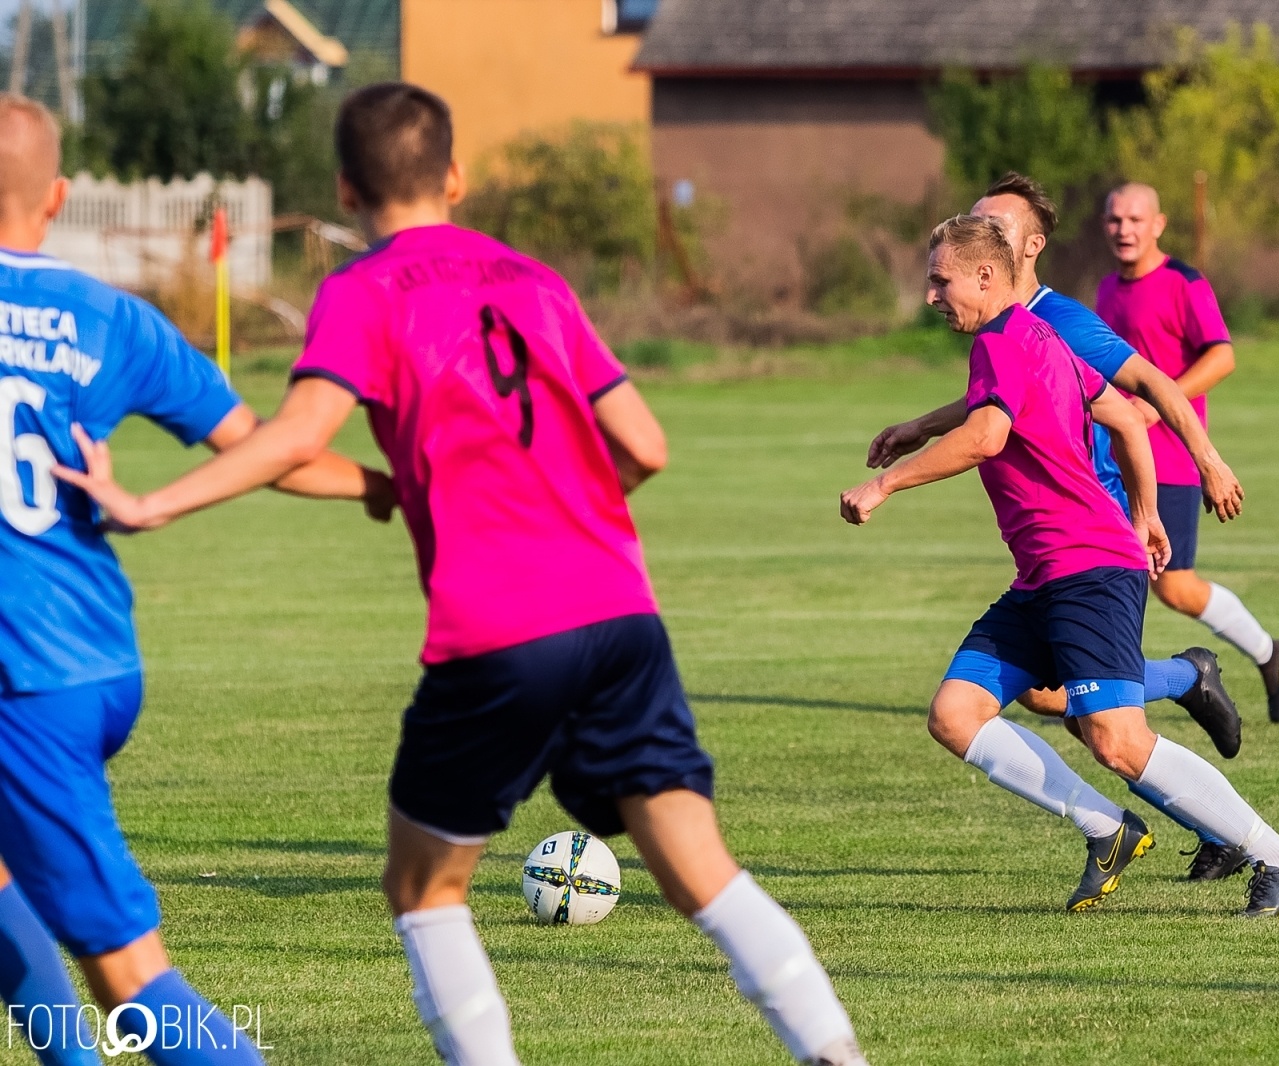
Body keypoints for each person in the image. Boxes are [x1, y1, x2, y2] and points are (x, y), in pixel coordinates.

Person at [57, 83, 870, 1066]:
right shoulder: (534, 277)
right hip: (621, 614)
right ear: (455, 175)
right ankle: (834, 1050)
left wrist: (153, 501)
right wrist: (563, 504)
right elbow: (645, 445)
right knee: (703, 872)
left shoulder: (360, 292)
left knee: (424, 889)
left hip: (499, 629)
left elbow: (295, 436)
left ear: (346, 187)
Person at [0, 93, 386, 1064]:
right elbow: (267, 449)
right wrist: (383, 485)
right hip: (89, 651)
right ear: (58, 196)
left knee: (129, 975)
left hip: (28, 677)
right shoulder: (107, 317)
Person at [840, 214, 1279, 918]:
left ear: (984, 276)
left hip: (1088, 568)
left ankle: (1277, 856)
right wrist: (1146, 511)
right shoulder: (1037, 338)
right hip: (1045, 575)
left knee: (1116, 739)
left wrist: (885, 484)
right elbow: (1124, 419)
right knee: (956, 713)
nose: (932, 296)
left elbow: (986, 435)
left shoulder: (1006, 341)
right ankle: (1108, 827)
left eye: (940, 281)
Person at [865, 173, 1246, 766]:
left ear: (1030, 247)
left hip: (1090, 518)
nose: (980, 233)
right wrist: (924, 425)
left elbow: (1147, 385)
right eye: (977, 221)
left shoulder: (1060, 321)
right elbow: (999, 404)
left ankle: (1207, 775)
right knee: (1054, 698)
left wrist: (1207, 462)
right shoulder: (1000, 325)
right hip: (1054, 524)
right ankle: (1184, 683)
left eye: (996, 226)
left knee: (1099, 717)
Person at [1097, 183, 1279, 724]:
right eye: (1115, 220)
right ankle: (1096, 687)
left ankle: (1267, 652)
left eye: (1135, 219)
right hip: (1113, 459)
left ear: (1158, 224)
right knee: (1110, 571)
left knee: (1177, 587)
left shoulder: (1183, 283)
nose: (1125, 229)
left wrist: (1155, 407)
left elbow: (1222, 358)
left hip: (1170, 460)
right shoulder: (1105, 290)